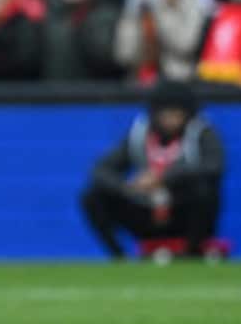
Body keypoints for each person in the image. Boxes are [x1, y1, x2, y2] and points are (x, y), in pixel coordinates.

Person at [80, 79, 227, 260]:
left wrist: (163, 177)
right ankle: (120, 257)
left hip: (181, 208)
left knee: (205, 190)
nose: (170, 120)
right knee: (93, 196)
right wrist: (128, 187)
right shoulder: (140, 133)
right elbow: (100, 169)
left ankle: (191, 252)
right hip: (147, 209)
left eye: (177, 114)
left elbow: (215, 165)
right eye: (165, 114)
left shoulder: (200, 132)